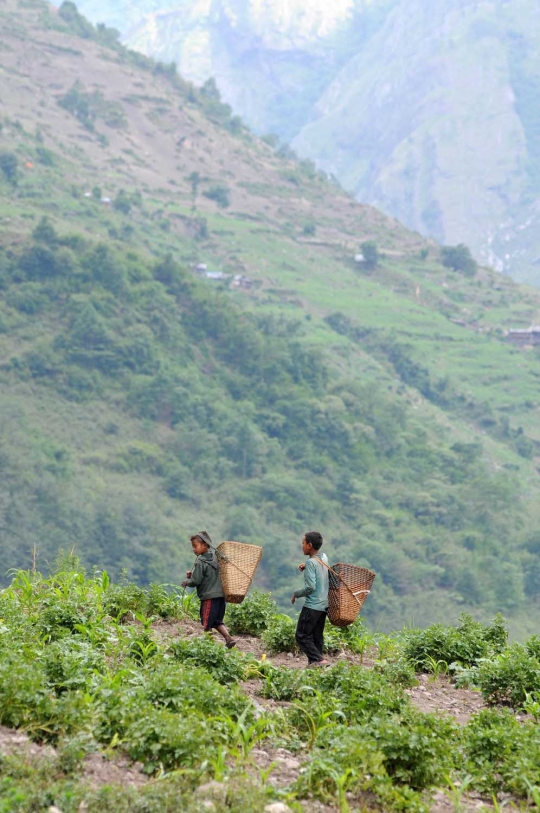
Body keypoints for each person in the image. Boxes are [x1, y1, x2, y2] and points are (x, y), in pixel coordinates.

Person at [181, 531, 236, 649]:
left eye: (195, 546)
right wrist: (193, 575)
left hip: (209, 598)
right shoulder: (216, 558)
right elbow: (207, 576)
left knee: (207, 624)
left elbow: (196, 581)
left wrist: (187, 582)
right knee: (217, 621)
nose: (193, 549)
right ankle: (228, 638)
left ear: (205, 546)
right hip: (221, 597)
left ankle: (209, 647)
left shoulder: (200, 561)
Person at [291, 531, 329, 667]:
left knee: (301, 635)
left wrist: (296, 593)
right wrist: (307, 565)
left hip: (312, 606)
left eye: (303, 543)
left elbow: (310, 587)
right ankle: (315, 665)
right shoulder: (324, 558)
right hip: (324, 606)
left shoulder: (311, 563)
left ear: (309, 545)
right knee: (316, 636)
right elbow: (318, 565)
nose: (302, 545)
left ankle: (319, 661)